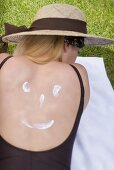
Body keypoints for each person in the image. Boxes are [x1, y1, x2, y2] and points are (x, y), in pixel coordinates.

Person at [0, 4, 114, 170]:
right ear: (68, 43)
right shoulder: (79, 74)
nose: (78, 54)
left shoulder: (3, 62)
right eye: (79, 46)